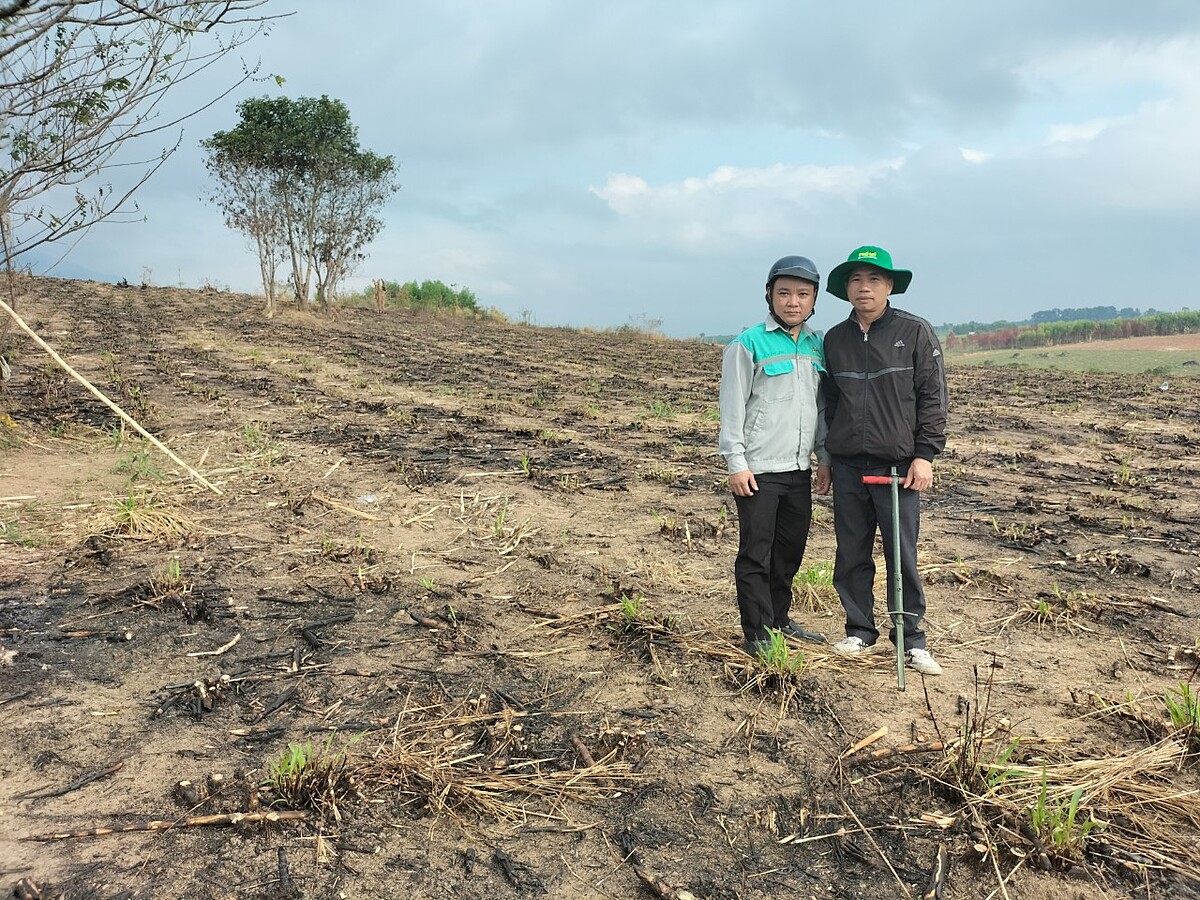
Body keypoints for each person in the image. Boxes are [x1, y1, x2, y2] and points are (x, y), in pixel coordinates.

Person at [822, 246, 948, 675]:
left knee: (902, 553)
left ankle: (911, 640)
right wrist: (826, 457)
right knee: (851, 551)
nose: (864, 288)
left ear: (889, 286)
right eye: (856, 280)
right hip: (848, 467)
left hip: (898, 468)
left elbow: (933, 398)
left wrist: (925, 455)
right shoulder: (834, 339)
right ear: (846, 289)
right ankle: (859, 630)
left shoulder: (914, 332)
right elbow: (829, 404)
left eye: (874, 280)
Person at [719, 255, 832, 659]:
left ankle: (779, 618)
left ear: (814, 299)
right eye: (784, 292)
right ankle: (756, 632)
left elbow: (819, 408)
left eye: (803, 294)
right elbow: (731, 409)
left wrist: (824, 458)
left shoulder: (817, 345)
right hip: (759, 470)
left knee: (789, 551)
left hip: (798, 469)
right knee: (756, 552)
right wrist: (736, 463)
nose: (793, 301)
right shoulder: (747, 344)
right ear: (769, 294)